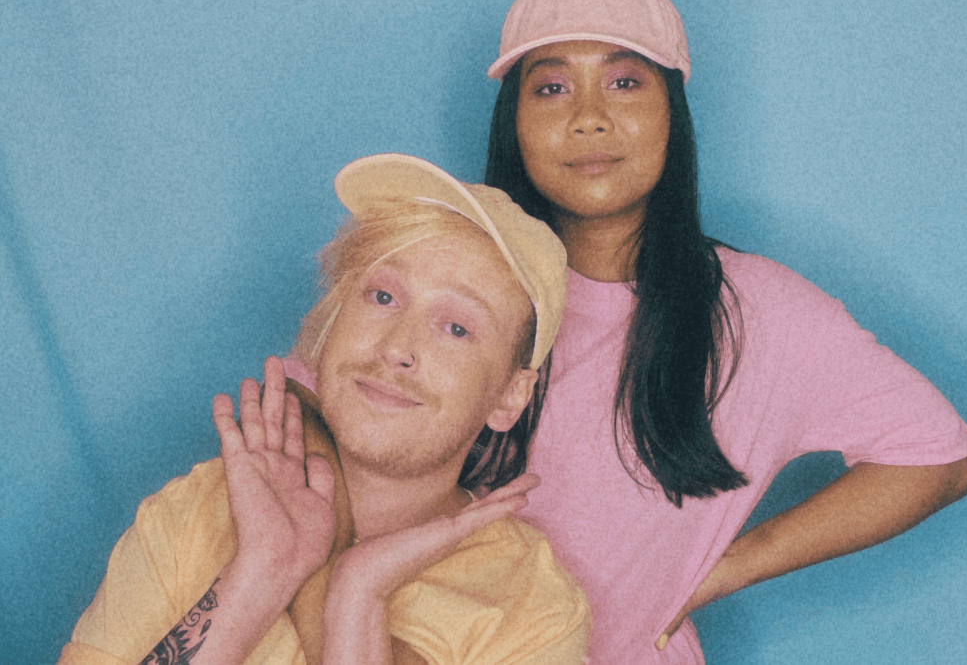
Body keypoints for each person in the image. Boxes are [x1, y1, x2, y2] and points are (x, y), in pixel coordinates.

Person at [477, 0, 967, 664]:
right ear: (514, 122)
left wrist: (725, 567)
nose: (588, 116)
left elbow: (940, 459)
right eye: (551, 87)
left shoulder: (756, 312)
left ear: (672, 114)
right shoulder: (457, 284)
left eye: (624, 82)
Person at [58, 154, 590, 665]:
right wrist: (261, 573)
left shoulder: (533, 606)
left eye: (456, 328)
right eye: (382, 297)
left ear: (509, 397)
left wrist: (357, 595)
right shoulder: (198, 509)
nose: (396, 348)